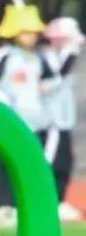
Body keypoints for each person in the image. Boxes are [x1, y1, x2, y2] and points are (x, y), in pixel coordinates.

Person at [0, 0, 57, 226]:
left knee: (30, 164)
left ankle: (25, 205)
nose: (31, 37)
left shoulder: (39, 58)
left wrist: (45, 91)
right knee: (6, 162)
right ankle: (3, 205)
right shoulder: (4, 56)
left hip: (35, 120)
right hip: (10, 119)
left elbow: (53, 79)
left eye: (33, 32)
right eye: (26, 32)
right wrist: (3, 103)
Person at [42, 15, 83, 221]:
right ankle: (48, 199)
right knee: (51, 160)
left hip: (65, 119)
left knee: (65, 161)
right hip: (52, 120)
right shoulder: (48, 59)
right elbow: (53, 80)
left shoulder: (68, 58)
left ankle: (59, 199)